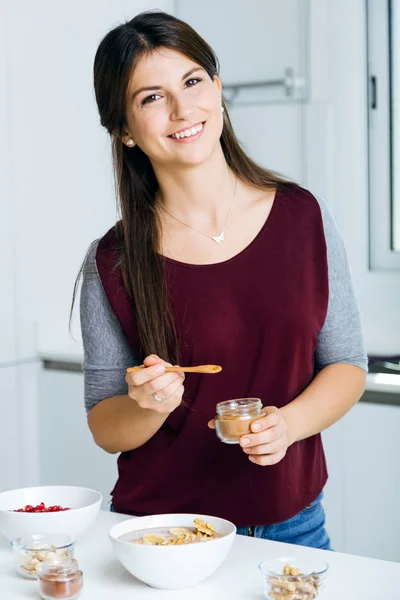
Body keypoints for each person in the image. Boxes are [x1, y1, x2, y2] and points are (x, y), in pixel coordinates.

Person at [77, 10, 368, 550]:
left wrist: (290, 425)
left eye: (192, 81)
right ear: (123, 130)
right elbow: (104, 425)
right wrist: (149, 405)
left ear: (217, 87)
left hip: (294, 527)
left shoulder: (303, 217)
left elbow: (347, 363)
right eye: (151, 97)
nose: (183, 109)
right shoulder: (112, 260)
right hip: (163, 535)